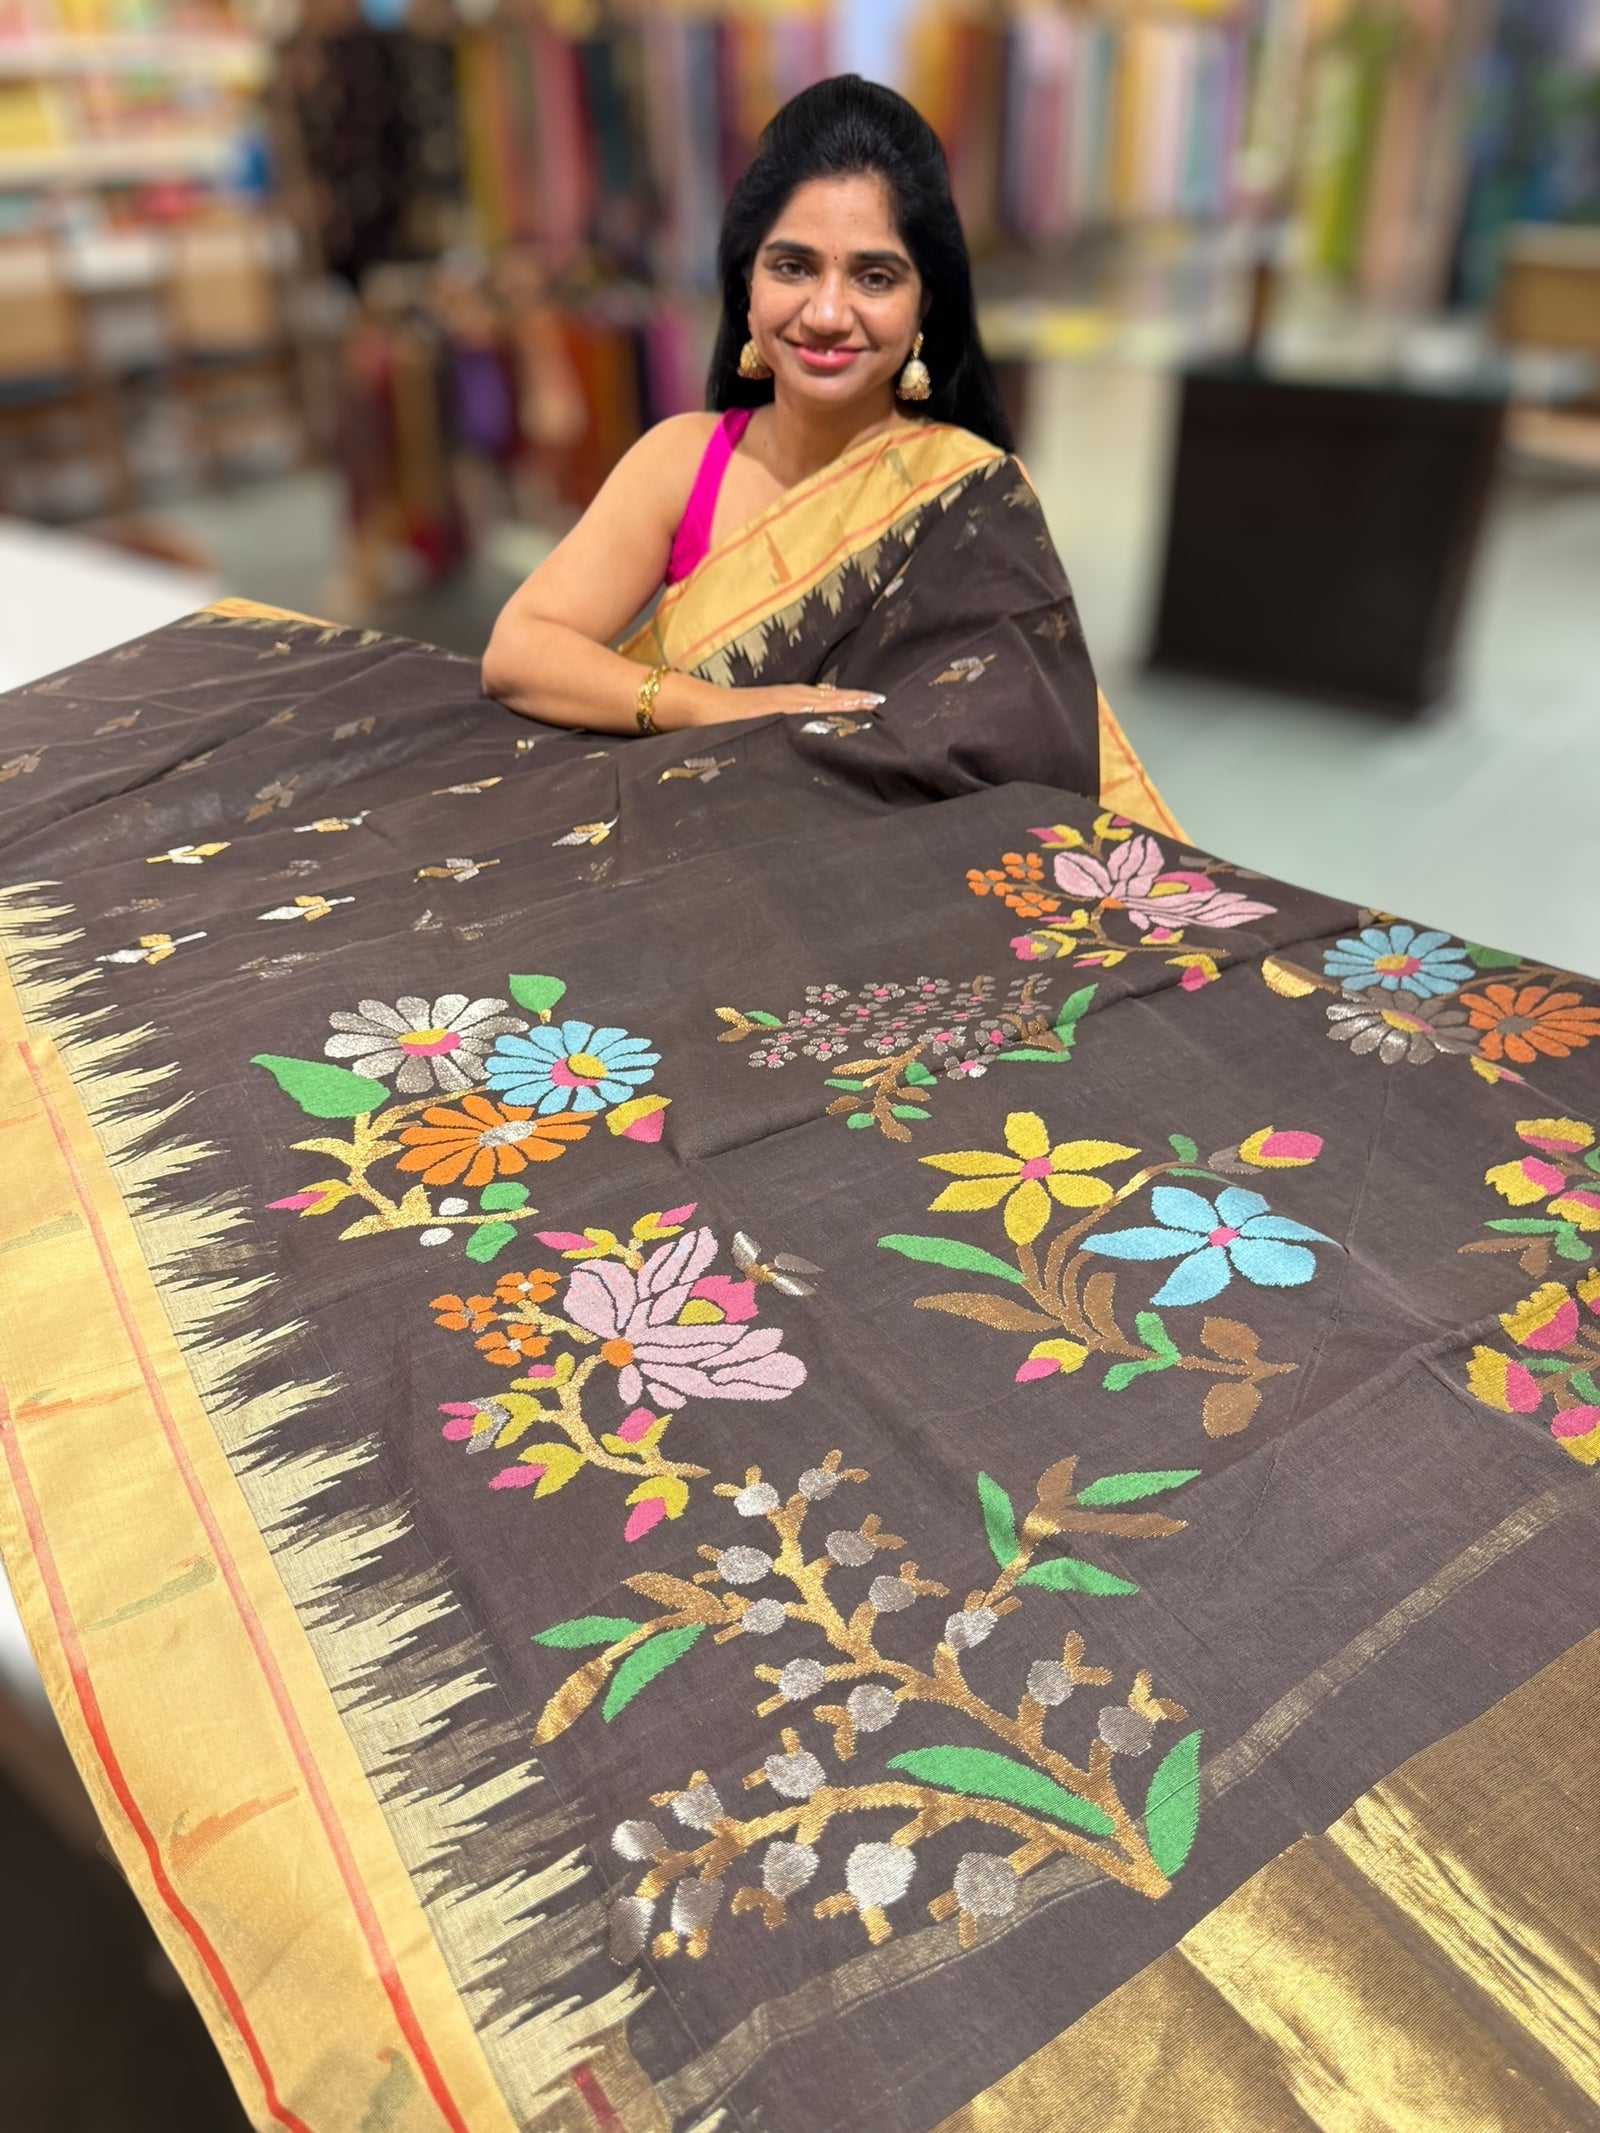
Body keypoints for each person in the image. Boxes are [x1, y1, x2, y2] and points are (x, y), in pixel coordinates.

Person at [481, 74, 1098, 800]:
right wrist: (715, 708)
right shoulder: (687, 462)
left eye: (874, 277)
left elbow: (1030, 767)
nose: (828, 312)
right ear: (748, 282)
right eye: (794, 267)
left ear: (924, 302)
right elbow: (518, 650)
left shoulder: (971, 496)